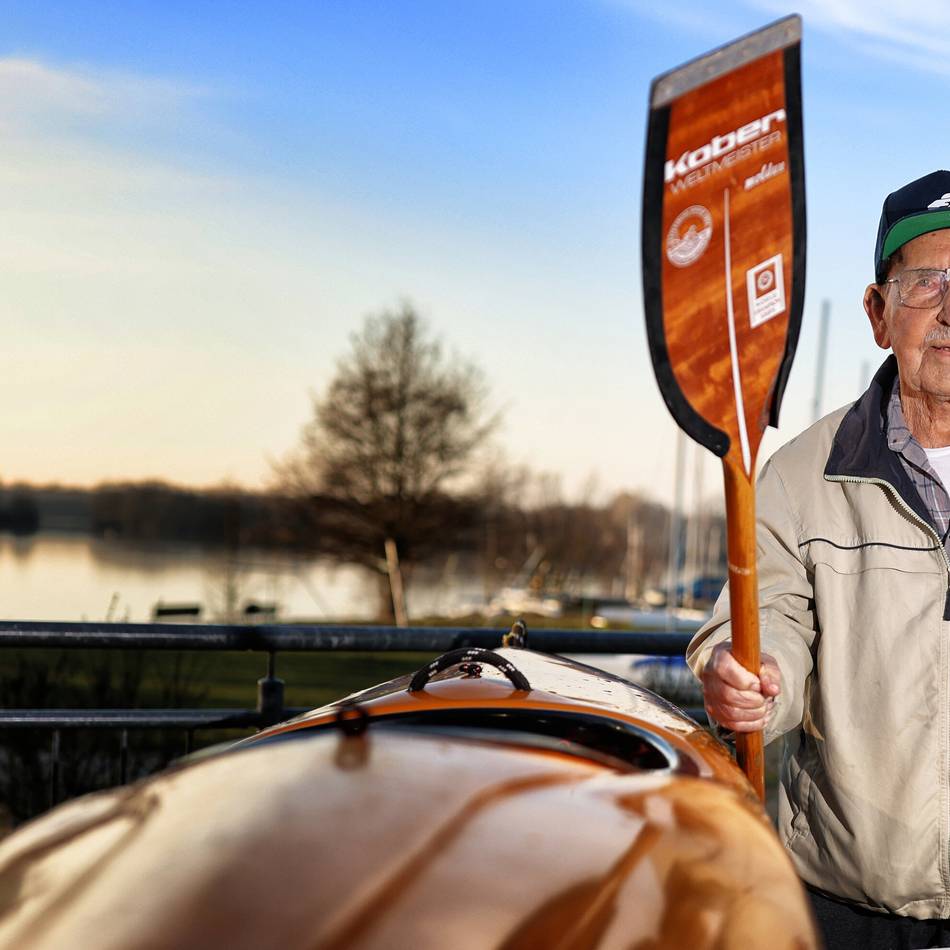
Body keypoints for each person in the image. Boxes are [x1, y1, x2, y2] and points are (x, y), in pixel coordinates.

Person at [687, 169, 950, 950]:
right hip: (848, 913)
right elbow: (764, 621)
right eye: (929, 281)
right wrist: (750, 676)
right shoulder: (803, 475)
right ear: (880, 312)